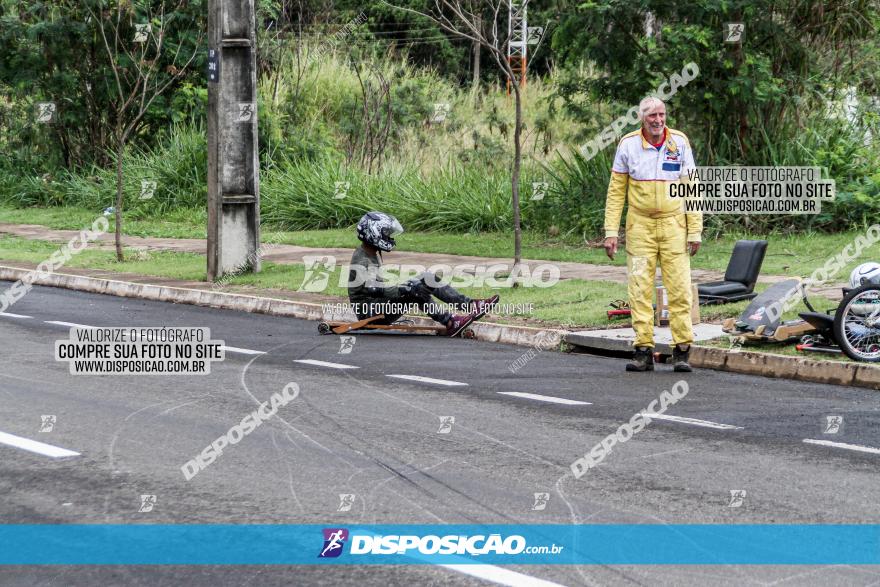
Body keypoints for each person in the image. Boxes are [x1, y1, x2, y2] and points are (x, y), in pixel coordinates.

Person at [602, 97, 702, 372]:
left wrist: (695, 230)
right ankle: (643, 350)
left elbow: (691, 187)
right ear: (641, 118)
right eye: (652, 117)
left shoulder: (680, 142)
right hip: (640, 226)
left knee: (680, 289)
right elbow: (615, 192)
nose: (658, 121)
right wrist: (611, 232)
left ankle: (682, 350)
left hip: (674, 225)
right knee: (639, 288)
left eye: (662, 114)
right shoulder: (628, 145)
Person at [347, 211, 499, 337]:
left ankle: (470, 305)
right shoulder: (362, 260)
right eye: (386, 233)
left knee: (427, 278)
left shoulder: (369, 252)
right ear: (373, 234)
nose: (389, 237)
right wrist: (405, 289)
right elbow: (373, 289)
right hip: (370, 313)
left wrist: (405, 287)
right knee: (415, 290)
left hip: (378, 306)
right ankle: (451, 322)